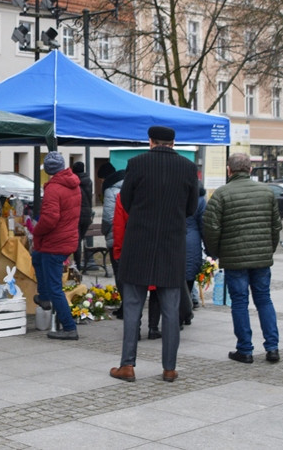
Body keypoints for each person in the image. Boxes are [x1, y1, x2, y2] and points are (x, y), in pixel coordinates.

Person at [109, 125, 199, 384]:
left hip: (139, 244)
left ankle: (127, 365)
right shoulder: (187, 167)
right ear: (173, 143)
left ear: (150, 141)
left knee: (133, 306)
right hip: (171, 246)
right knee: (171, 310)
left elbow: (125, 201)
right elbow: (191, 207)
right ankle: (169, 368)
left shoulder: (136, 163)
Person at [203, 152, 283, 364]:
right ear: (250, 169)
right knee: (264, 299)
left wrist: (216, 252)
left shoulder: (221, 195)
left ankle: (245, 349)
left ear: (229, 170)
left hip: (234, 258)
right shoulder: (267, 193)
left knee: (239, 302)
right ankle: (272, 347)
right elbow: (276, 226)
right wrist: (269, 249)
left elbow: (211, 228)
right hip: (262, 259)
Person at [31, 151, 81, 340]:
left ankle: (69, 328)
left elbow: (50, 219)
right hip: (66, 239)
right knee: (37, 257)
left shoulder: (54, 188)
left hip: (55, 241)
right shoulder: (73, 184)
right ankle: (44, 298)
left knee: (55, 288)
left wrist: (37, 230)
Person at [98, 161, 124, 283]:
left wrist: (104, 231)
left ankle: (125, 301)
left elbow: (108, 218)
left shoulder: (110, 191)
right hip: (132, 237)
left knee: (119, 272)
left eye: (101, 179)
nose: (101, 182)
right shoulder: (130, 185)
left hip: (115, 237)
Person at [71, 161, 96, 272]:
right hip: (87, 213)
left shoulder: (74, 181)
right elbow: (89, 197)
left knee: (77, 240)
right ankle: (79, 263)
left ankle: (77, 264)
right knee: (79, 238)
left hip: (77, 213)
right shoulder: (88, 180)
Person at [186, 186, 207, 311]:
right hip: (192, 242)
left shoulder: (172, 194)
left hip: (173, 241)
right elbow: (204, 226)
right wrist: (210, 251)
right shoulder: (200, 200)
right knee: (188, 279)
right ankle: (186, 312)